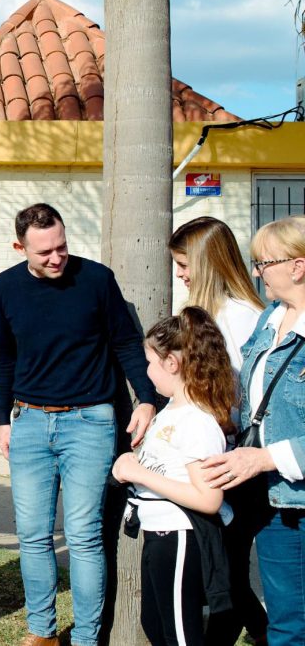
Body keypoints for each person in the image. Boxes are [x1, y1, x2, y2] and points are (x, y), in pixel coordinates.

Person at [0, 203, 157, 646]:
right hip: (28, 421)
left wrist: (147, 399)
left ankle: (85, 638)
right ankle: (42, 632)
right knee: (32, 535)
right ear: (20, 248)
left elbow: (127, 343)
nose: (56, 257)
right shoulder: (4, 286)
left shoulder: (97, 279)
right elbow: (4, 356)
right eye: (44, 251)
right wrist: (3, 418)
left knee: (83, 536)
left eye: (61, 246)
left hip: (90, 422)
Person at [202, 215, 305, 646]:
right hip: (273, 499)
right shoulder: (271, 319)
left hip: (289, 486)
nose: (258, 272)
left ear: (297, 266)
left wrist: (265, 457)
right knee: (285, 623)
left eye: (264, 262)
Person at [169, 216, 267, 645]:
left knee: (225, 572)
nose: (180, 274)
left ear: (206, 262)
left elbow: (245, 398)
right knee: (224, 571)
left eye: (184, 263)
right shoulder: (213, 314)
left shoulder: (242, 317)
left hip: (237, 461)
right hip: (220, 458)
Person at [112, 308, 236, 645]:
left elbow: (209, 499)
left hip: (180, 537)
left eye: (149, 362)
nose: (146, 371)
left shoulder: (197, 421)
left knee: (181, 635)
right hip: (158, 534)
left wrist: (139, 473)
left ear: (171, 363)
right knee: (155, 625)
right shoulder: (171, 410)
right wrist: (133, 463)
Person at [169, 216, 265, 371]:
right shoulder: (206, 312)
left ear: (208, 265)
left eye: (183, 265)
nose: (178, 273)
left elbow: (244, 379)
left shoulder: (240, 314)